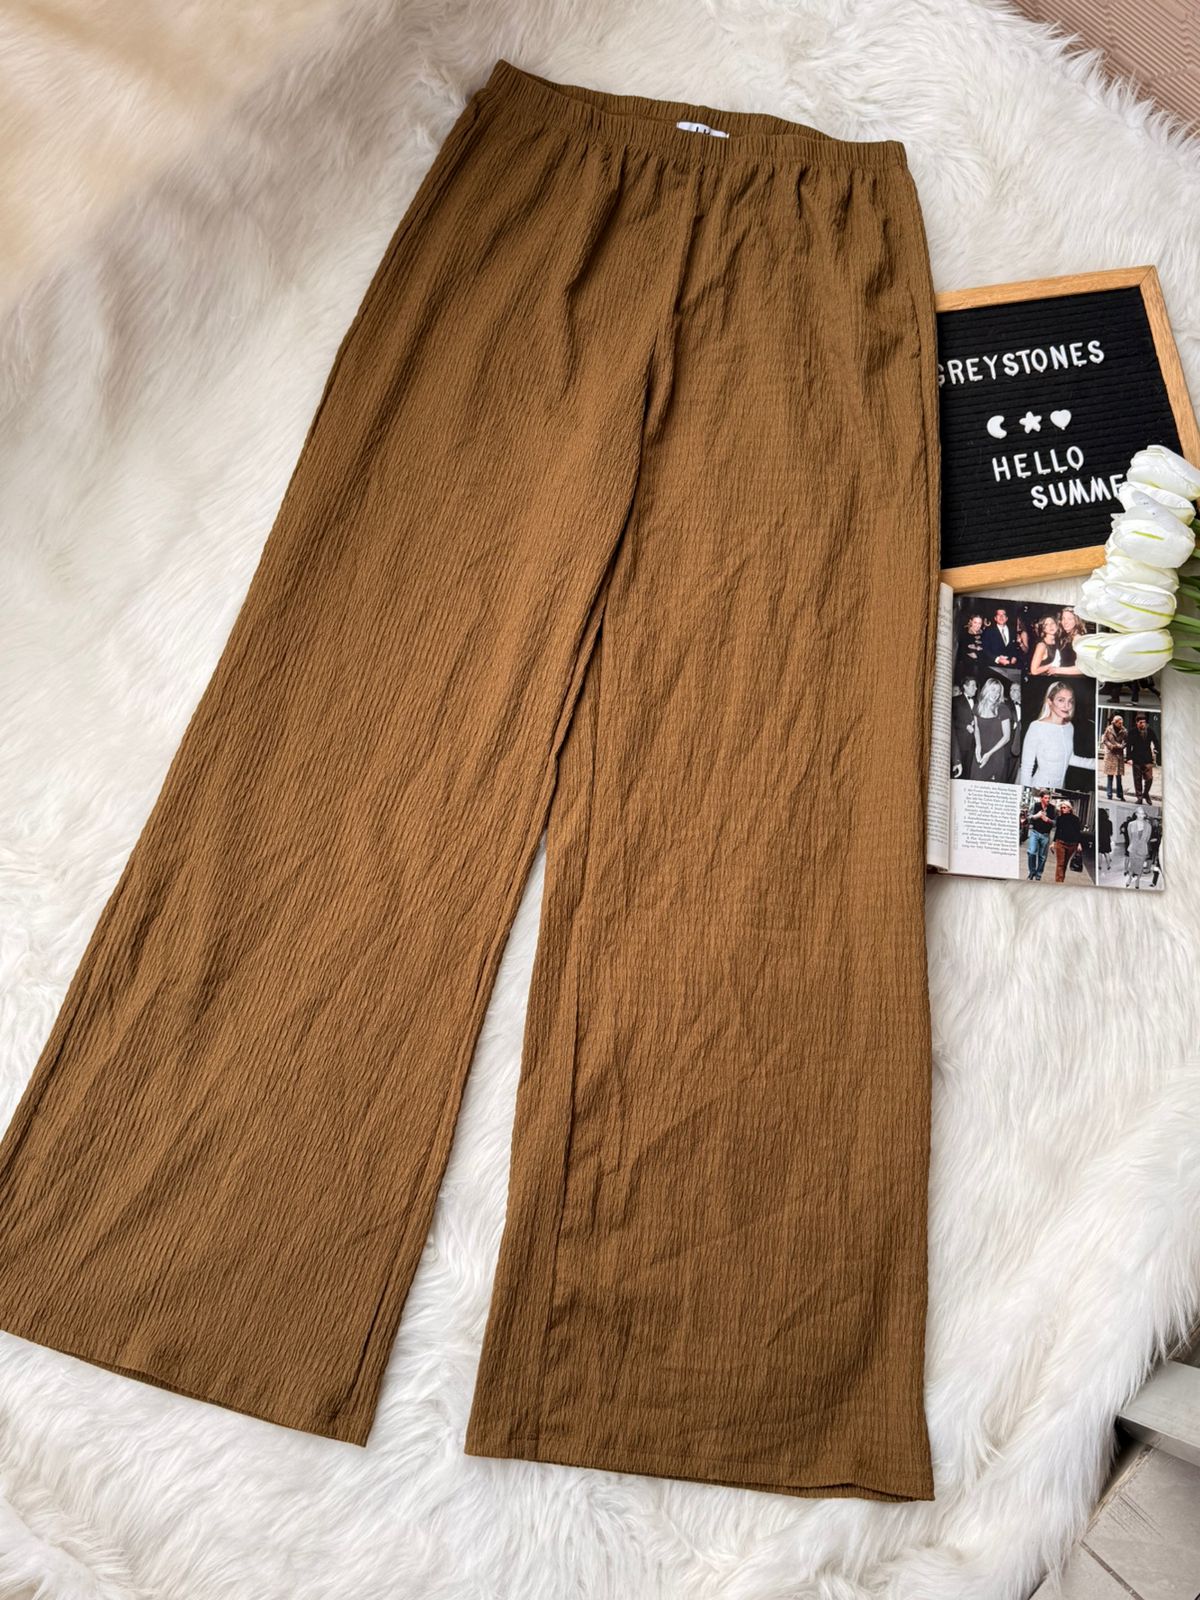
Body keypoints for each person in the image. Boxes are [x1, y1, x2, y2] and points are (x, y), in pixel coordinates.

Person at [1018, 681, 1097, 789]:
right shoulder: (1036, 727)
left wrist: (1097, 764)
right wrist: (1026, 796)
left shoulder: (1069, 727)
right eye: (1061, 700)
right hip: (1039, 789)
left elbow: (1068, 758)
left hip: (1060, 789)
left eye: (1070, 701)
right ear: (1049, 701)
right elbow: (1026, 768)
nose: (1066, 706)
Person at [969, 677, 1013, 780]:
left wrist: (989, 754)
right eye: (993, 690)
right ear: (986, 690)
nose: (996, 694)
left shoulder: (1003, 709)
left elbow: (1006, 737)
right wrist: (978, 746)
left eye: (998, 691)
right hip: (981, 752)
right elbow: (977, 729)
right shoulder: (977, 708)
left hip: (996, 754)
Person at [1127, 712, 1158, 801]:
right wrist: (1129, 758)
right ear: (1137, 723)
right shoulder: (1132, 732)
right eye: (1141, 723)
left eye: (1144, 722)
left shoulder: (1150, 731)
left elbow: (1156, 741)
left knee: (1149, 778)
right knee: (1137, 779)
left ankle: (1145, 793)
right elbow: (1128, 745)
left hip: (1147, 758)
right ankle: (1139, 797)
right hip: (1136, 758)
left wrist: (1156, 749)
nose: (1143, 724)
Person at [1050, 798, 1083, 882]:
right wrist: (1053, 842)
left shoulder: (1076, 819)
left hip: (1072, 844)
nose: (1062, 809)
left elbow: (1078, 832)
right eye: (1061, 808)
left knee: (1064, 864)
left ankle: (1061, 880)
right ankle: (1059, 882)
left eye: (1064, 807)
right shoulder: (1060, 818)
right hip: (1061, 843)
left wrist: (1079, 843)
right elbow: (1057, 831)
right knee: (1060, 864)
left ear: (1069, 808)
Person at [1026, 791, 1056, 881]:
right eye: (1046, 798)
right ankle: (1032, 872)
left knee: (1042, 857)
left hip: (1046, 835)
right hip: (1035, 832)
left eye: (1049, 798)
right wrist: (1036, 816)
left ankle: (1038, 875)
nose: (1048, 800)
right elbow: (1028, 817)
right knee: (1031, 852)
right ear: (1041, 798)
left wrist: (1048, 820)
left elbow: (1056, 823)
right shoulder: (1035, 806)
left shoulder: (1053, 808)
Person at [950, 677, 976, 777]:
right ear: (965, 687)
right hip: (960, 744)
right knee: (957, 774)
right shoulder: (955, 701)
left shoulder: (977, 702)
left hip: (973, 745)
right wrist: (965, 726)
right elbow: (951, 722)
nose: (976, 688)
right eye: (973, 685)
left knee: (968, 774)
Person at [1100, 712, 1127, 801]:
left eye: (1122, 723)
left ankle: (1120, 794)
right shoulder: (1109, 729)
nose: (1121, 724)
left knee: (1119, 776)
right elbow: (1105, 740)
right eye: (1119, 723)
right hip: (1110, 754)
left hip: (1119, 754)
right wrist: (1111, 746)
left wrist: (1122, 746)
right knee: (1110, 775)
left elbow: (1126, 741)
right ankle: (1109, 794)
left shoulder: (1124, 731)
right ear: (1115, 723)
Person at [1124, 805, 1153, 887]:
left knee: (1140, 866)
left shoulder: (1148, 826)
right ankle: (1129, 878)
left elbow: (1147, 839)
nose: (1141, 815)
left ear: (1144, 815)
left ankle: (1137, 880)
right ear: (1136, 814)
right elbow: (1130, 837)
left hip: (1143, 849)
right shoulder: (1131, 824)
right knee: (1132, 865)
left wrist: (1141, 844)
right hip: (1133, 848)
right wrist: (1133, 844)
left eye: (1142, 814)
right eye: (1139, 813)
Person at [1097, 805, 1113, 872]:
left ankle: (1099, 866)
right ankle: (1108, 866)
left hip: (1100, 840)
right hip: (1107, 839)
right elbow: (1111, 833)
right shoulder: (1109, 822)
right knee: (1107, 853)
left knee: (1099, 853)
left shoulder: (1098, 822)